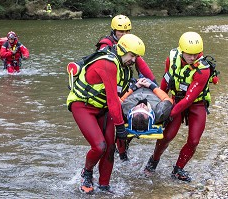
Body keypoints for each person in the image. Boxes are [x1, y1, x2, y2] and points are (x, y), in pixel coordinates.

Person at [66, 34, 146, 194]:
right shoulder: (108, 63)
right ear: (122, 50)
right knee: (99, 146)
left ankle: (104, 186)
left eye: (136, 57)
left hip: (103, 108)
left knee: (109, 147)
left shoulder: (124, 67)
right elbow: (112, 99)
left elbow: (118, 98)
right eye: (132, 56)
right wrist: (120, 126)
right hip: (83, 105)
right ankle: (87, 173)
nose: (134, 60)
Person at [144, 32, 215, 182]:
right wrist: (160, 103)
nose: (193, 58)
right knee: (167, 135)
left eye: (196, 54)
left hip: (196, 103)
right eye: (189, 54)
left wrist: (170, 114)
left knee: (194, 141)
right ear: (181, 51)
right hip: (176, 99)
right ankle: (153, 161)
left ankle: (178, 169)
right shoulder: (172, 58)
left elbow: (189, 99)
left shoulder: (203, 69)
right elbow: (167, 79)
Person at [95, 15, 157, 161]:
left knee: (128, 118)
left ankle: (123, 150)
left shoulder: (131, 44)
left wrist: (154, 85)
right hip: (108, 86)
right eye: (120, 32)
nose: (124, 34)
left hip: (122, 85)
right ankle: (115, 149)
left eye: (127, 31)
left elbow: (142, 65)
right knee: (113, 122)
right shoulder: (106, 45)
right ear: (114, 31)